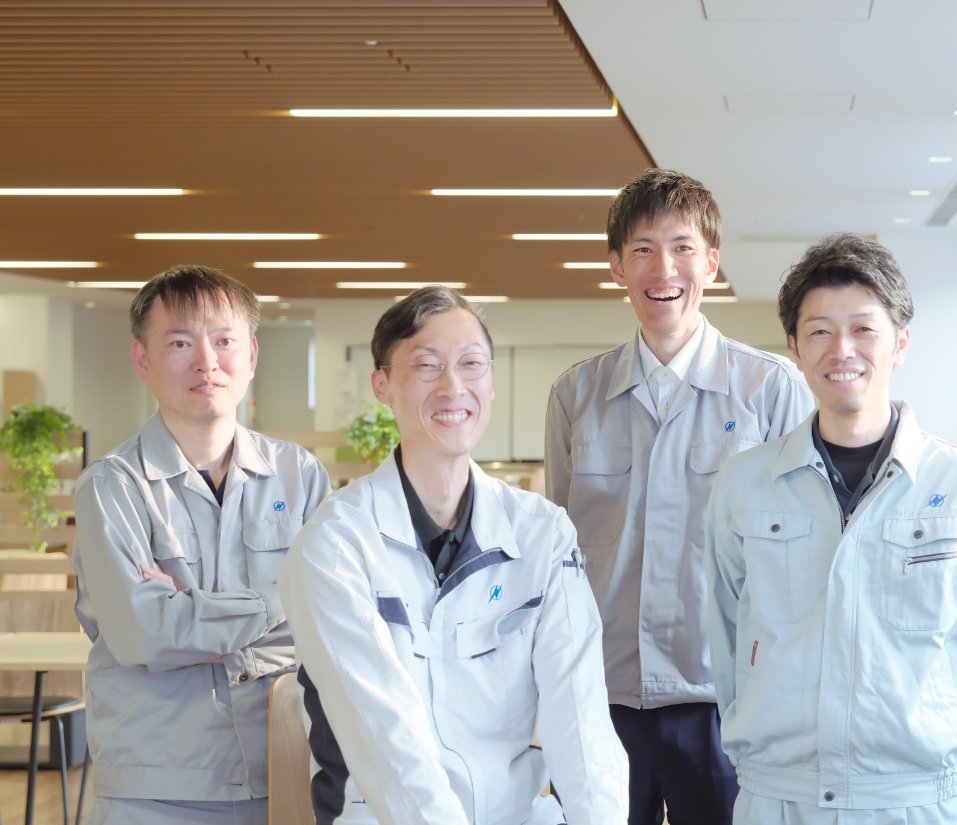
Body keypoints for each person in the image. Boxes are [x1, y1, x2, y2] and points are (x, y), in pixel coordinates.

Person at [705, 234, 957, 824]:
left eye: (863, 329)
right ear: (794, 348)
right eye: (819, 331)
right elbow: (724, 637)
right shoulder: (744, 483)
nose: (841, 349)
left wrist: (935, 761)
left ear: (900, 342)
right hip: (778, 798)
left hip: (911, 801)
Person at [279, 287, 626, 825]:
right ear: (381, 384)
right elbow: (386, 744)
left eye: (471, 364)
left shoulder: (542, 532)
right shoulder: (336, 544)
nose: (453, 386)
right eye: (426, 365)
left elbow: (581, 721)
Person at [544, 168, 814, 824]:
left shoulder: (769, 390)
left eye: (682, 247)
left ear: (711, 263)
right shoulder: (575, 395)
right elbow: (558, 557)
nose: (663, 268)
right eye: (642, 249)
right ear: (616, 266)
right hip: (603, 696)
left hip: (726, 698)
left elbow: (805, 560)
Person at [71, 264, 330, 825]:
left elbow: (335, 617)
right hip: (157, 786)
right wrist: (283, 598)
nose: (207, 361)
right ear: (143, 359)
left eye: (224, 340)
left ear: (251, 355)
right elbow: (145, 633)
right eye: (180, 342)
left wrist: (191, 614)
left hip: (288, 768)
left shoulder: (299, 475)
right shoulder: (113, 486)